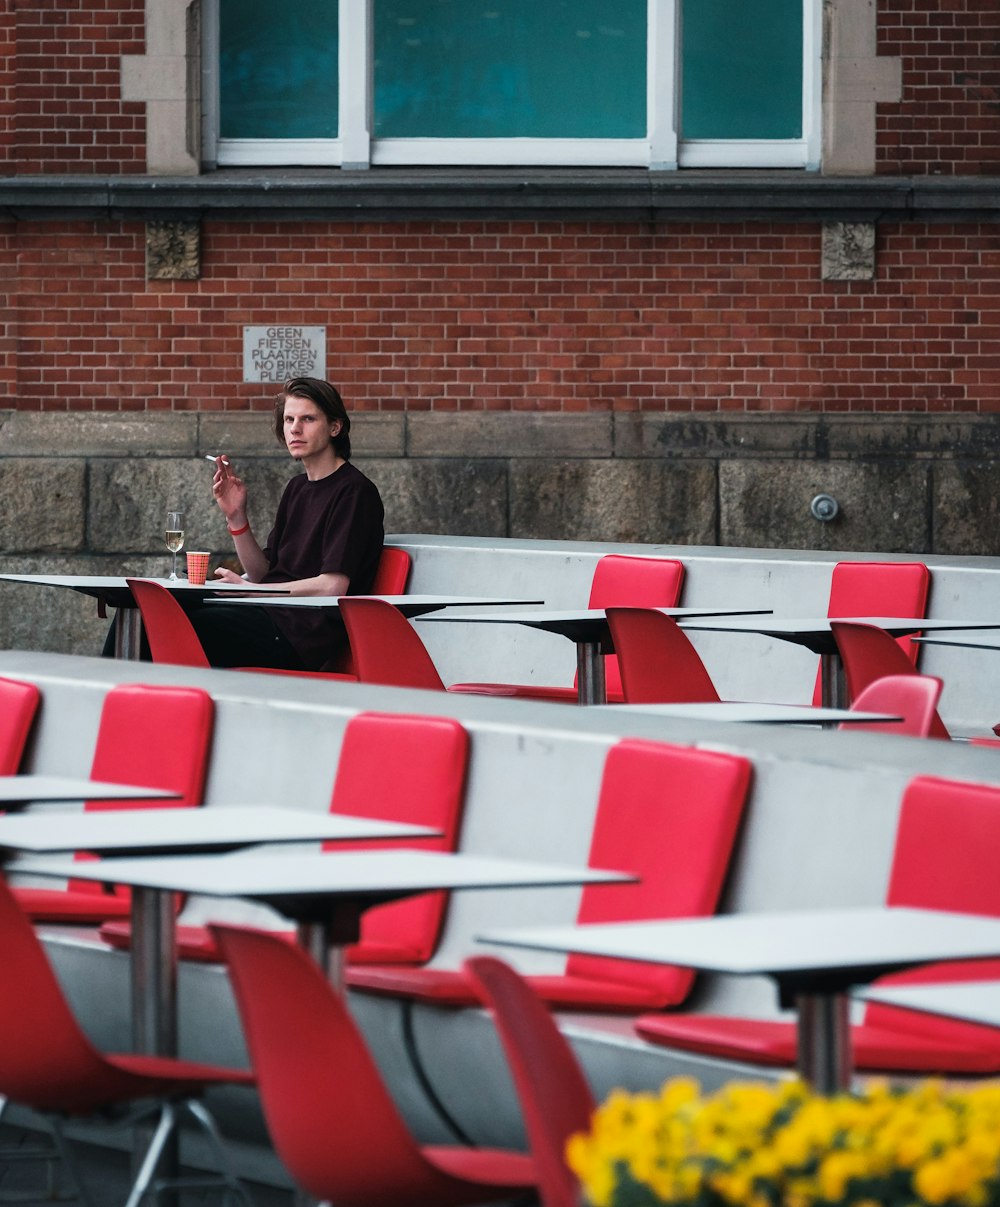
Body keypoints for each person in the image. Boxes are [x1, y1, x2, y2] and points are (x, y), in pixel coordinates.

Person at [187, 376, 385, 670]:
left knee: (178, 626)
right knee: (151, 612)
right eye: (289, 419)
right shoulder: (297, 488)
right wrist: (236, 517)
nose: (295, 428)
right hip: (265, 615)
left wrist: (250, 591)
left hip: (297, 635)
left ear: (334, 427)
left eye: (308, 419)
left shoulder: (354, 492)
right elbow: (265, 573)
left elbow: (333, 587)